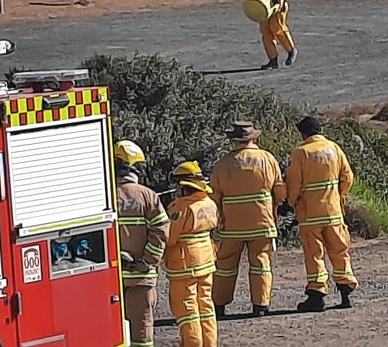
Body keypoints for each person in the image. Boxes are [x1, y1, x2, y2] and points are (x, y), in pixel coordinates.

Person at [209, 122, 285, 318]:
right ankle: (260, 305)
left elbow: (214, 196)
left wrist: (218, 219)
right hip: (262, 223)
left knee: (224, 266)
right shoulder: (267, 158)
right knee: (261, 264)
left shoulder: (224, 163)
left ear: (234, 139)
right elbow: (279, 190)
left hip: (231, 226)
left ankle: (219, 305)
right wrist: (274, 209)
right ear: (254, 138)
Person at [285, 116, 358, 312]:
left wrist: (292, 202)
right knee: (339, 251)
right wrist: (339, 195)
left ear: (304, 133)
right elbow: (347, 177)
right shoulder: (334, 148)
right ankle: (345, 292)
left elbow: (294, 184)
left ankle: (316, 297)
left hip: (310, 215)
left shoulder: (301, 152)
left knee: (314, 254)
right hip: (334, 212)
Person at [113, 141, 169, 347]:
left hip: (111, 279)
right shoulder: (148, 196)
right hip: (141, 277)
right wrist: (147, 262)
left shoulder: (105, 195)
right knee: (141, 331)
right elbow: (161, 232)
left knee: (113, 331)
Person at [165, 161, 220, 347]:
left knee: (187, 308)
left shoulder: (180, 208)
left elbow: (169, 238)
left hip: (185, 264)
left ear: (183, 186)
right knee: (205, 305)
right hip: (207, 259)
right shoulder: (209, 203)